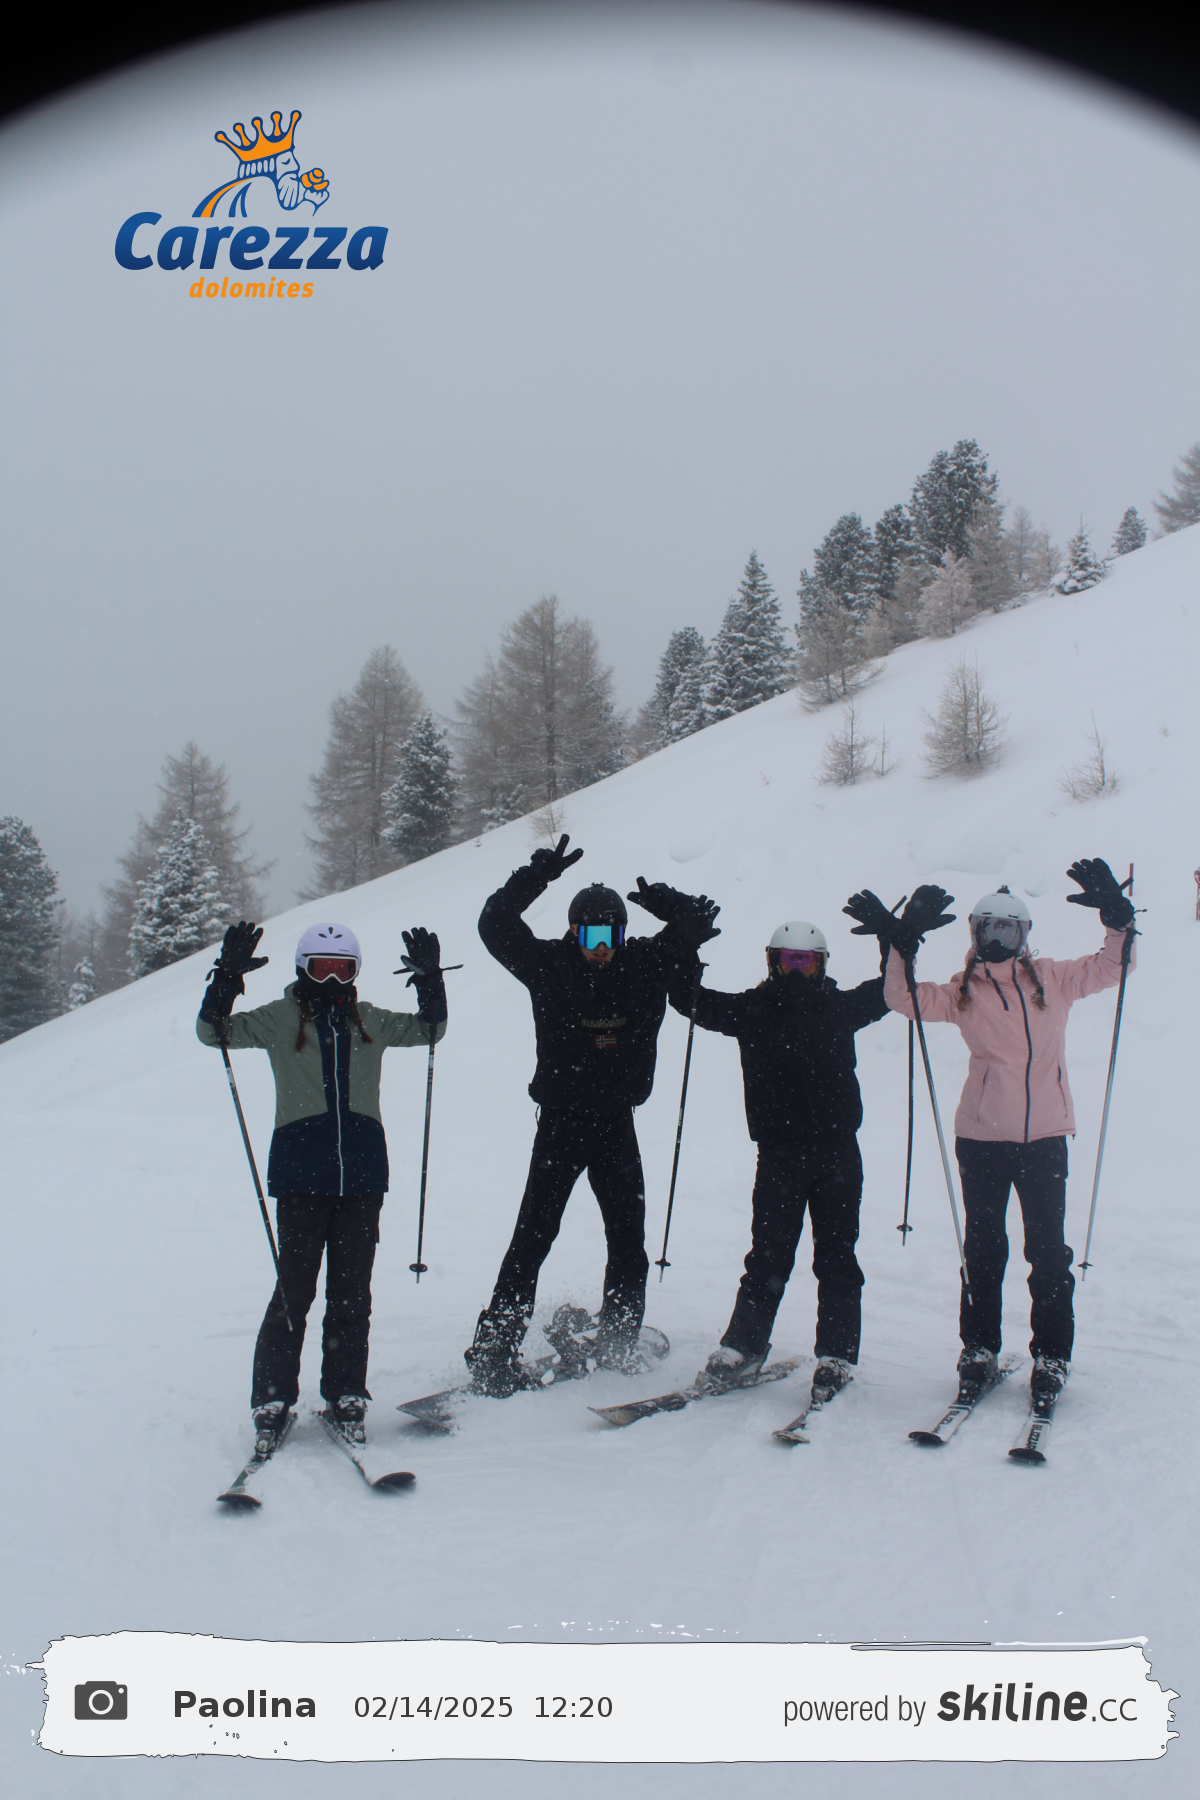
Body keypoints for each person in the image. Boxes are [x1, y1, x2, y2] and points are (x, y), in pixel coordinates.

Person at [850, 859, 1137, 1403]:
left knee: (1047, 1252)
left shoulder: (1053, 978)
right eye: (989, 929)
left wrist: (1118, 921)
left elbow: (1111, 967)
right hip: (982, 1140)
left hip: (1045, 1138)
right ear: (976, 934)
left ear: (1024, 934)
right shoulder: (964, 990)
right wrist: (900, 947)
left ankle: (1051, 1354)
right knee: (983, 1248)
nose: (998, 939)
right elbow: (903, 998)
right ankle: (979, 1349)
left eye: (1008, 929)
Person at [465, 835, 719, 1396]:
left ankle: (619, 1338)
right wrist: (535, 876)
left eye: (610, 937)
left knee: (629, 1239)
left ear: (623, 936)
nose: (601, 949)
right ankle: (493, 1351)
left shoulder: (645, 963)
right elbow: (495, 924)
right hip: (562, 1124)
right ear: (573, 934)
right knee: (532, 1238)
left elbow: (693, 924)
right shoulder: (549, 966)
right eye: (590, 937)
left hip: (616, 1126)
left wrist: (671, 905)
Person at [197, 919, 447, 1452]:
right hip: (301, 1177)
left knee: (351, 1294)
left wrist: (431, 982)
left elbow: (430, 1030)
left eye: (342, 969)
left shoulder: (370, 1020)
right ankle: (272, 1398)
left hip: (361, 1177)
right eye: (321, 968)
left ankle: (345, 1393)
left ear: (355, 973)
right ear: (302, 970)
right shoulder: (278, 1018)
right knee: (294, 1291)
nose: (332, 980)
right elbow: (213, 1032)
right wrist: (227, 979)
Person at [685, 918, 891, 1401]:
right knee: (768, 1256)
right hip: (779, 1155)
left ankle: (837, 1354)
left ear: (822, 965)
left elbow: (892, 992)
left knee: (837, 1256)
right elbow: (690, 1000)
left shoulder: (840, 1007)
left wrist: (895, 943)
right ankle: (744, 1346)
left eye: (807, 962)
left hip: (837, 1154)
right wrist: (683, 943)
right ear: (772, 962)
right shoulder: (751, 1010)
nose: (798, 971)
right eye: (788, 960)